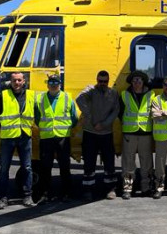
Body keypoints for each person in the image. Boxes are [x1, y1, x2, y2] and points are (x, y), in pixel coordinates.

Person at [76, 70, 119, 200]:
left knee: (109, 163)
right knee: (89, 163)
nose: (102, 83)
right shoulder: (91, 91)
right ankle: (88, 190)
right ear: (96, 80)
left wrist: (104, 124)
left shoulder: (113, 93)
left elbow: (115, 111)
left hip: (106, 133)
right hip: (90, 133)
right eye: (100, 81)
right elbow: (79, 99)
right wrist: (90, 117)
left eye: (105, 81)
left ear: (108, 81)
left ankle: (110, 189)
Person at [0, 71, 36, 209]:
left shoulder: (31, 95)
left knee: (27, 167)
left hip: (25, 136)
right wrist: (7, 128)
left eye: (19, 80)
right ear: (10, 82)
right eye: (14, 81)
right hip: (8, 137)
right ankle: (3, 197)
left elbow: (36, 113)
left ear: (24, 81)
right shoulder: (3, 96)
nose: (17, 83)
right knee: (4, 169)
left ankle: (27, 195)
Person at [35, 75, 78, 202]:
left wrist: (66, 128)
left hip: (62, 137)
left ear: (60, 84)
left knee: (64, 167)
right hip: (46, 137)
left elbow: (74, 118)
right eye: (51, 82)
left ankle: (66, 193)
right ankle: (45, 194)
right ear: (47, 84)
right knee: (45, 168)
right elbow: (37, 118)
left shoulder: (67, 98)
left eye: (56, 82)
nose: (53, 84)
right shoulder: (40, 99)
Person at [119, 70, 154, 200]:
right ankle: (127, 189)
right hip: (129, 133)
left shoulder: (151, 94)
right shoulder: (124, 95)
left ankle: (146, 188)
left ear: (143, 82)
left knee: (147, 163)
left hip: (145, 132)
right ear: (131, 83)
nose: (137, 83)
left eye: (139, 80)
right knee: (128, 162)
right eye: (134, 81)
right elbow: (120, 112)